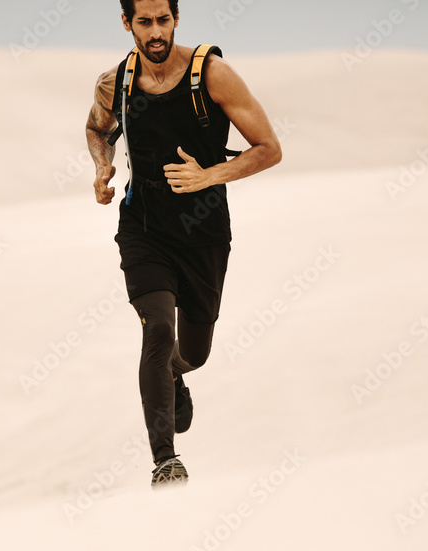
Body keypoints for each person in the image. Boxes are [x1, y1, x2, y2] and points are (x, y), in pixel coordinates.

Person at [85, 0, 282, 486]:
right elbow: (97, 129)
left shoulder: (212, 75)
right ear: (127, 22)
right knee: (157, 331)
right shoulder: (115, 82)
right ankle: (165, 460)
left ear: (176, 18)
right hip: (143, 227)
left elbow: (269, 149)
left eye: (164, 20)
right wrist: (102, 166)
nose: (156, 33)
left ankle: (176, 373)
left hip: (203, 234)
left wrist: (208, 176)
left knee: (194, 352)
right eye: (145, 22)